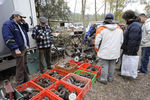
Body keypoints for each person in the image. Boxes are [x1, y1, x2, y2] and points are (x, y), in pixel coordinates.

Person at [2, 11, 29, 85]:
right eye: (20, 17)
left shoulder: (19, 24)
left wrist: (24, 23)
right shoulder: (8, 24)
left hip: (24, 48)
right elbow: (8, 38)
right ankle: (20, 82)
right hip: (18, 49)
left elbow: (26, 30)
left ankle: (26, 79)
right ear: (15, 16)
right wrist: (16, 48)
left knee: (24, 64)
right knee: (20, 66)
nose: (21, 19)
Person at [95, 13, 123, 84]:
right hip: (115, 52)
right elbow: (121, 41)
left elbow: (96, 42)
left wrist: (97, 50)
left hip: (104, 51)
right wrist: (117, 49)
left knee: (104, 66)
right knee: (112, 65)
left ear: (105, 19)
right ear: (112, 19)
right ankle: (110, 78)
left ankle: (103, 79)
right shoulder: (119, 29)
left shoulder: (101, 28)